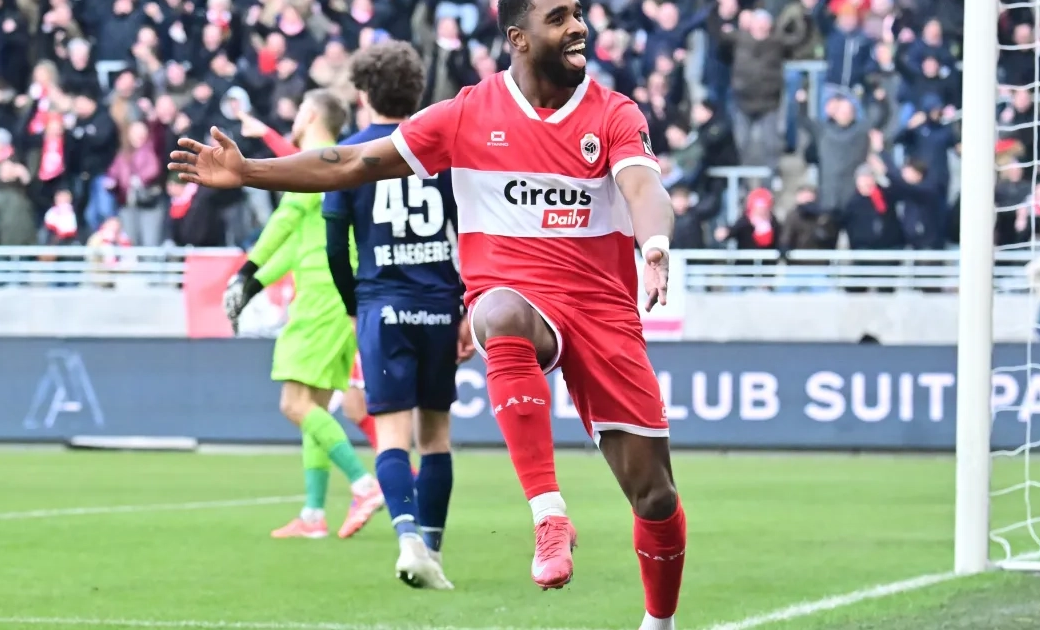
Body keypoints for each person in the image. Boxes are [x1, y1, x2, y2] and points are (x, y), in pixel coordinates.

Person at [170, 1, 684, 626]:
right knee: (498, 314)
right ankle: (548, 514)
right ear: (519, 38)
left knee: (654, 496)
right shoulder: (467, 113)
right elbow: (353, 162)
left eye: (577, 13)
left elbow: (644, 187)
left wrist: (654, 244)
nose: (578, 26)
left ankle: (659, 621)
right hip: (513, 299)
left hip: (602, 309)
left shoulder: (614, 112)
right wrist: (251, 170)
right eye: (559, 17)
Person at [324, 43, 473, 590]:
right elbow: (469, 235)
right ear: (417, 93)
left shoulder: (348, 153)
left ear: (364, 93)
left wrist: (352, 305)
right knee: (435, 436)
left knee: (391, 435)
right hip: (438, 305)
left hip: (381, 305)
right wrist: (466, 305)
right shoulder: (441, 152)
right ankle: (432, 550)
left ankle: (408, 538)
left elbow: (336, 246)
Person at [221, 89, 385, 540]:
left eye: (297, 110)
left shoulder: (314, 162)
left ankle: (365, 485)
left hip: (321, 298)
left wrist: (246, 271)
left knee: (293, 404)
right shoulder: (337, 161)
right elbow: (296, 245)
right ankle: (314, 514)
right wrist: (254, 285)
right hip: (338, 296)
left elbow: (283, 223)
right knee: (312, 406)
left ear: (309, 113)